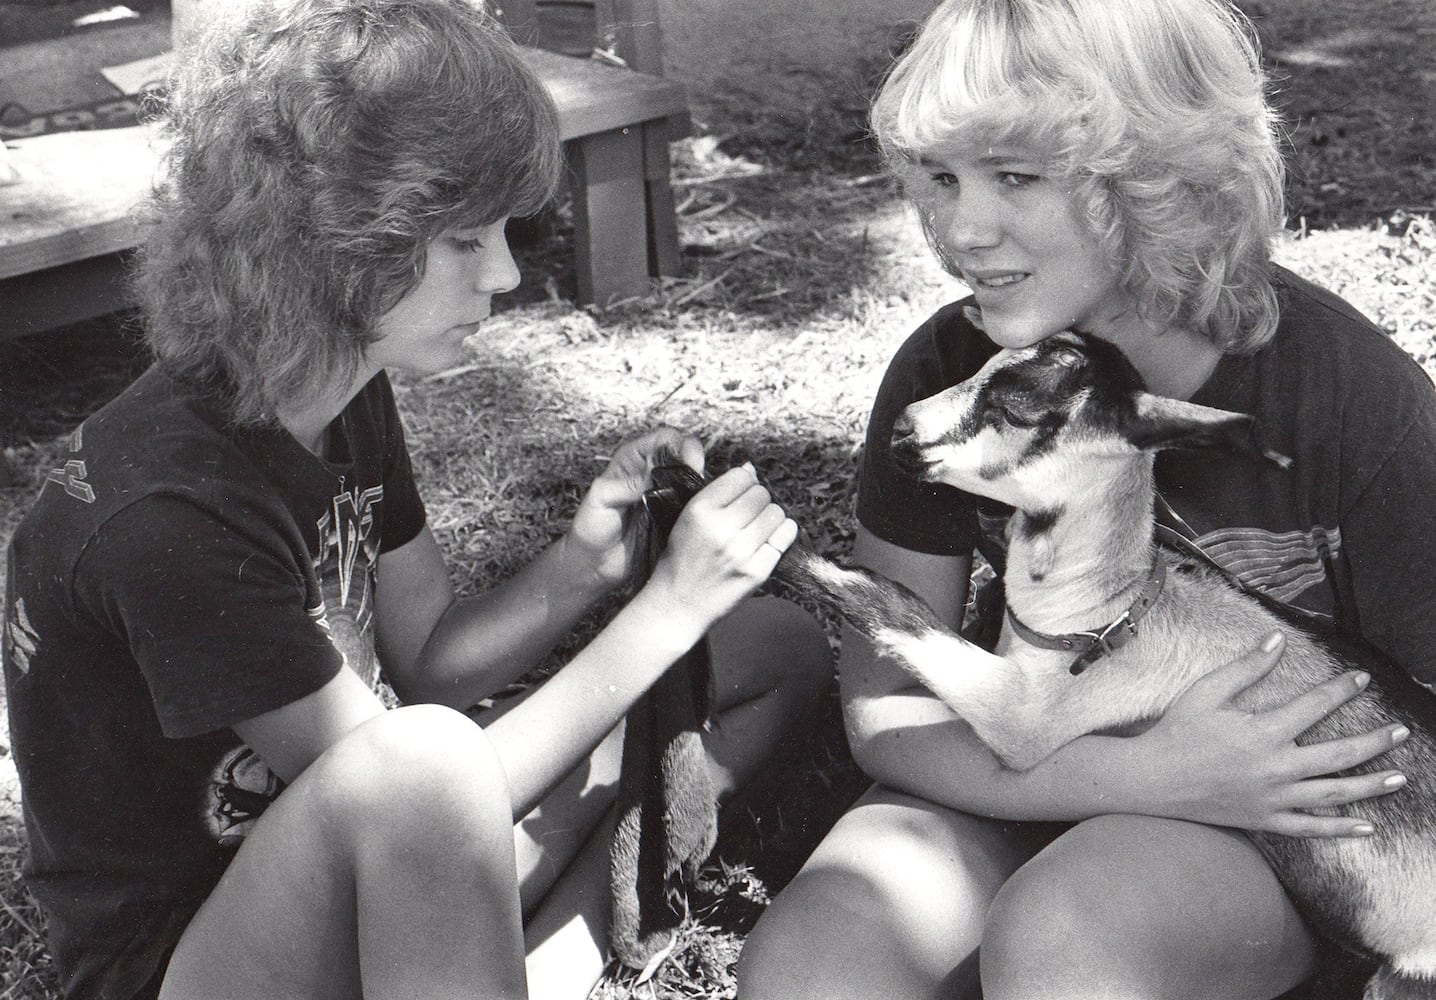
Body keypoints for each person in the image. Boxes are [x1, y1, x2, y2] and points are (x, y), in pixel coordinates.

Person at [0, 2, 832, 998]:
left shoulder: (340, 391)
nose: (508, 275)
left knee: (763, 649)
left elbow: (427, 660)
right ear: (334, 244)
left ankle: (544, 965)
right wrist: (660, 614)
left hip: (379, 868)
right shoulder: (168, 516)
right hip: (197, 964)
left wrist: (583, 568)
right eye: (463, 243)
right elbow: (418, 792)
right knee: (433, 764)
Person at [737, 0, 1435, 997]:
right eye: (939, 178)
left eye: (1014, 177)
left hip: (1268, 835)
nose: (959, 229)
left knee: (1065, 937)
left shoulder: (1354, 406)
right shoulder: (949, 369)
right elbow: (885, 707)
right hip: (1040, 762)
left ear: (1149, 180)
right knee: (811, 968)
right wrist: (1129, 775)